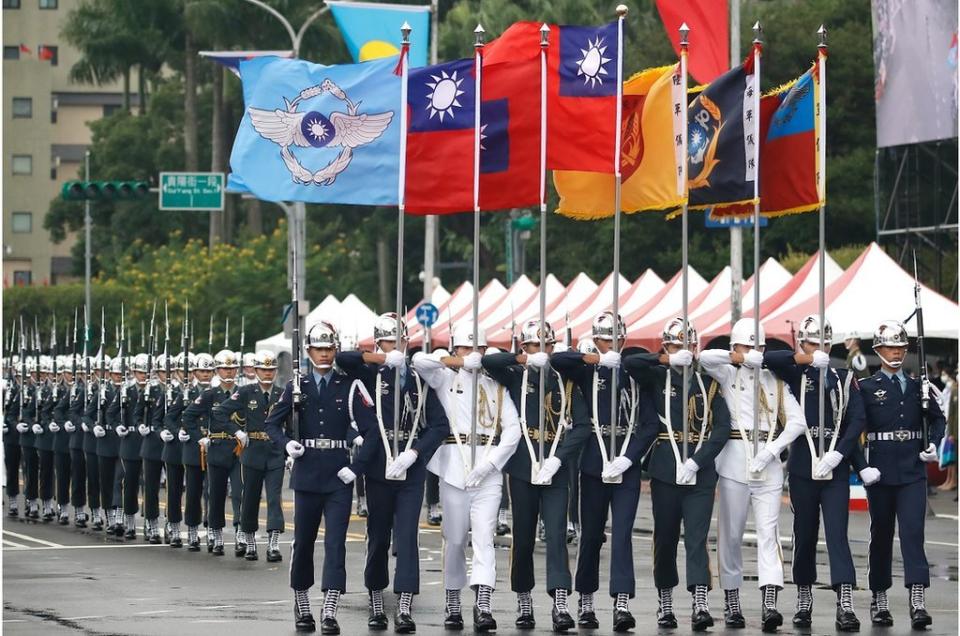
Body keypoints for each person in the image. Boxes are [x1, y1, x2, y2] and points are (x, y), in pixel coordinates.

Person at [337, 313, 449, 633]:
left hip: (410, 470)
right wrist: (383, 358)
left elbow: (439, 425)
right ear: (378, 342)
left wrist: (415, 453)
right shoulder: (368, 373)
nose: (395, 346)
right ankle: (376, 600)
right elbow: (344, 359)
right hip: (377, 468)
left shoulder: (417, 378)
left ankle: (403, 606)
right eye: (388, 341)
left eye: (399, 341)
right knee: (378, 536)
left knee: (407, 536)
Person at [481, 319, 591, 631]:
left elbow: (582, 425)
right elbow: (489, 361)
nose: (542, 351)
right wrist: (523, 360)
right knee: (524, 536)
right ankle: (524, 599)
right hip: (521, 468)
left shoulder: (565, 382)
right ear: (525, 347)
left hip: (554, 468)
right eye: (534, 346)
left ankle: (559, 603)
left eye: (547, 346)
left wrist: (559, 459)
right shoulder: (516, 376)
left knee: (556, 535)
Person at [698, 318, 807, 632]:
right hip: (734, 457)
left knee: (769, 534)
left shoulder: (775, 380)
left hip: (768, 460)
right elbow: (705, 358)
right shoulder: (727, 371)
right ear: (735, 347)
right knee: (730, 536)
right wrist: (740, 358)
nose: (754, 351)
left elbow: (797, 422)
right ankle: (732, 604)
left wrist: (773, 451)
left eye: (759, 346)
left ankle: (769, 602)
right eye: (748, 345)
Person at [411, 323, 522, 633]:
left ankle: (483, 604)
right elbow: (419, 362)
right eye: (466, 349)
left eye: (480, 350)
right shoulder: (445, 378)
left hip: (487, 469)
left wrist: (490, 465)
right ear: (455, 348)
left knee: (485, 539)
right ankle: (453, 601)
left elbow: (512, 429)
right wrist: (456, 362)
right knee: (455, 539)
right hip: (454, 469)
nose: (474, 354)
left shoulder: (495, 386)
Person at [624, 318, 731, 632]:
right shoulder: (657, 377)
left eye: (686, 345)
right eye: (674, 345)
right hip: (666, 467)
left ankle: (700, 602)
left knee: (697, 539)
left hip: (699, 469)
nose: (682, 350)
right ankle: (665, 603)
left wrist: (698, 461)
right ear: (666, 345)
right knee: (666, 538)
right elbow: (631, 362)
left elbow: (722, 427)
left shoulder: (707, 383)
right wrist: (665, 359)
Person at [263, 321, 370, 635]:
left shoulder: (347, 384)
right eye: (318, 349)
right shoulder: (297, 387)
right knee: (304, 542)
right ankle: (303, 604)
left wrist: (357, 463)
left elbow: (370, 428)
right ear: (308, 351)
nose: (324, 354)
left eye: (328, 348)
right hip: (307, 470)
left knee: (336, 544)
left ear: (335, 350)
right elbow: (272, 425)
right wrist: (287, 444)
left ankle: (330, 609)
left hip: (338, 472)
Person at [762, 315, 866, 631]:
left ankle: (845, 601)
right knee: (804, 535)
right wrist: (804, 358)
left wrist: (838, 454)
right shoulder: (794, 375)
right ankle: (804, 598)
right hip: (804, 467)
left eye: (822, 343)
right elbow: (767, 357)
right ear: (802, 344)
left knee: (837, 534)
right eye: (811, 343)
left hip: (834, 469)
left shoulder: (844, 377)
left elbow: (857, 419)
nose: (818, 347)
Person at [551, 312, 653, 633]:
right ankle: (586, 599)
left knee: (622, 534)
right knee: (591, 536)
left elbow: (649, 424)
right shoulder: (586, 371)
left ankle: (621, 602)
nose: (613, 343)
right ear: (595, 338)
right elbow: (558, 359)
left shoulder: (633, 371)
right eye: (606, 338)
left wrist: (629, 458)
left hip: (626, 463)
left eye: (617, 339)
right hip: (594, 463)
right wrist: (591, 357)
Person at [854, 320, 945, 630]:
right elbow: (855, 428)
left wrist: (932, 443)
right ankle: (879, 599)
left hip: (912, 468)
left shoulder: (920, 385)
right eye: (890, 347)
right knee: (881, 536)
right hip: (880, 469)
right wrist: (861, 467)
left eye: (901, 348)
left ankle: (917, 600)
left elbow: (937, 419)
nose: (896, 353)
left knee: (912, 534)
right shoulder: (866, 388)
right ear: (878, 351)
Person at [217, 350, 286, 562]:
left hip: (275, 451)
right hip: (252, 450)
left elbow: (292, 422)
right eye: (263, 370)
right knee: (250, 498)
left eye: (271, 369)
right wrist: (236, 431)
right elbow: (219, 412)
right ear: (255, 370)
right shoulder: (246, 392)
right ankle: (250, 543)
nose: (268, 373)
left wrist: (290, 448)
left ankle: (273, 544)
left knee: (275, 499)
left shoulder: (283, 393)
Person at [182, 349, 242, 556]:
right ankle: (203, 532)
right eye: (224, 368)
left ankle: (238, 532)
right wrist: (197, 436)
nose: (228, 372)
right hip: (208, 448)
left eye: (232, 368)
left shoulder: (243, 392)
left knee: (237, 493)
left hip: (235, 449)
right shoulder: (210, 394)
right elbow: (187, 417)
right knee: (204, 494)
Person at [179, 353, 213, 551]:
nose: (206, 374)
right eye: (202, 371)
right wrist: (181, 432)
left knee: (212, 493)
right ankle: (192, 530)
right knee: (193, 492)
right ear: (194, 373)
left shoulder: (218, 393)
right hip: (193, 448)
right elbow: (173, 416)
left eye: (209, 371)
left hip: (214, 448)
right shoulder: (186, 393)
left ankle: (211, 529)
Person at [112, 353, 146, 539]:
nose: (144, 376)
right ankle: (127, 519)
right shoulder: (126, 391)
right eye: (140, 372)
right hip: (130, 441)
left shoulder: (156, 391)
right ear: (134, 372)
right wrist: (118, 426)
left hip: (149, 442)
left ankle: (151, 521)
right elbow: (111, 413)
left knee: (149, 484)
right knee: (128, 482)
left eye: (147, 372)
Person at [136, 353, 167, 543]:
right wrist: (141, 425)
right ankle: (151, 522)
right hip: (153, 444)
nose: (167, 375)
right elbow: (137, 414)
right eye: (163, 371)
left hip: (171, 443)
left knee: (173, 488)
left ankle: (170, 523)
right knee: (151, 487)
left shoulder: (179, 390)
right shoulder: (150, 390)